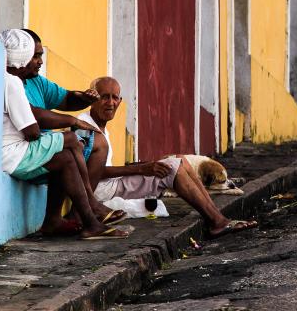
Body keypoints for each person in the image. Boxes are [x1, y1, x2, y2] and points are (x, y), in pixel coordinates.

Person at [77, 76, 258, 238]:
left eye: (115, 97)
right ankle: (217, 222)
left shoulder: (99, 125)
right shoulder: (84, 126)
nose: (110, 102)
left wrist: (143, 165)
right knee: (172, 168)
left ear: (120, 101)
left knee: (179, 159)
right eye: (104, 97)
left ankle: (217, 216)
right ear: (93, 100)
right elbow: (88, 173)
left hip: (112, 183)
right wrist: (141, 169)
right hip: (102, 191)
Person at [0, 29, 127, 239]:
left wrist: (82, 100)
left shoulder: (19, 80)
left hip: (14, 153)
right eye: (36, 55)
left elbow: (66, 99)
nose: (40, 61)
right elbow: (32, 130)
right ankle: (91, 207)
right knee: (68, 139)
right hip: (13, 155)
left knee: (66, 157)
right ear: (24, 56)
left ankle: (69, 222)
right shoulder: (12, 83)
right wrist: (71, 122)